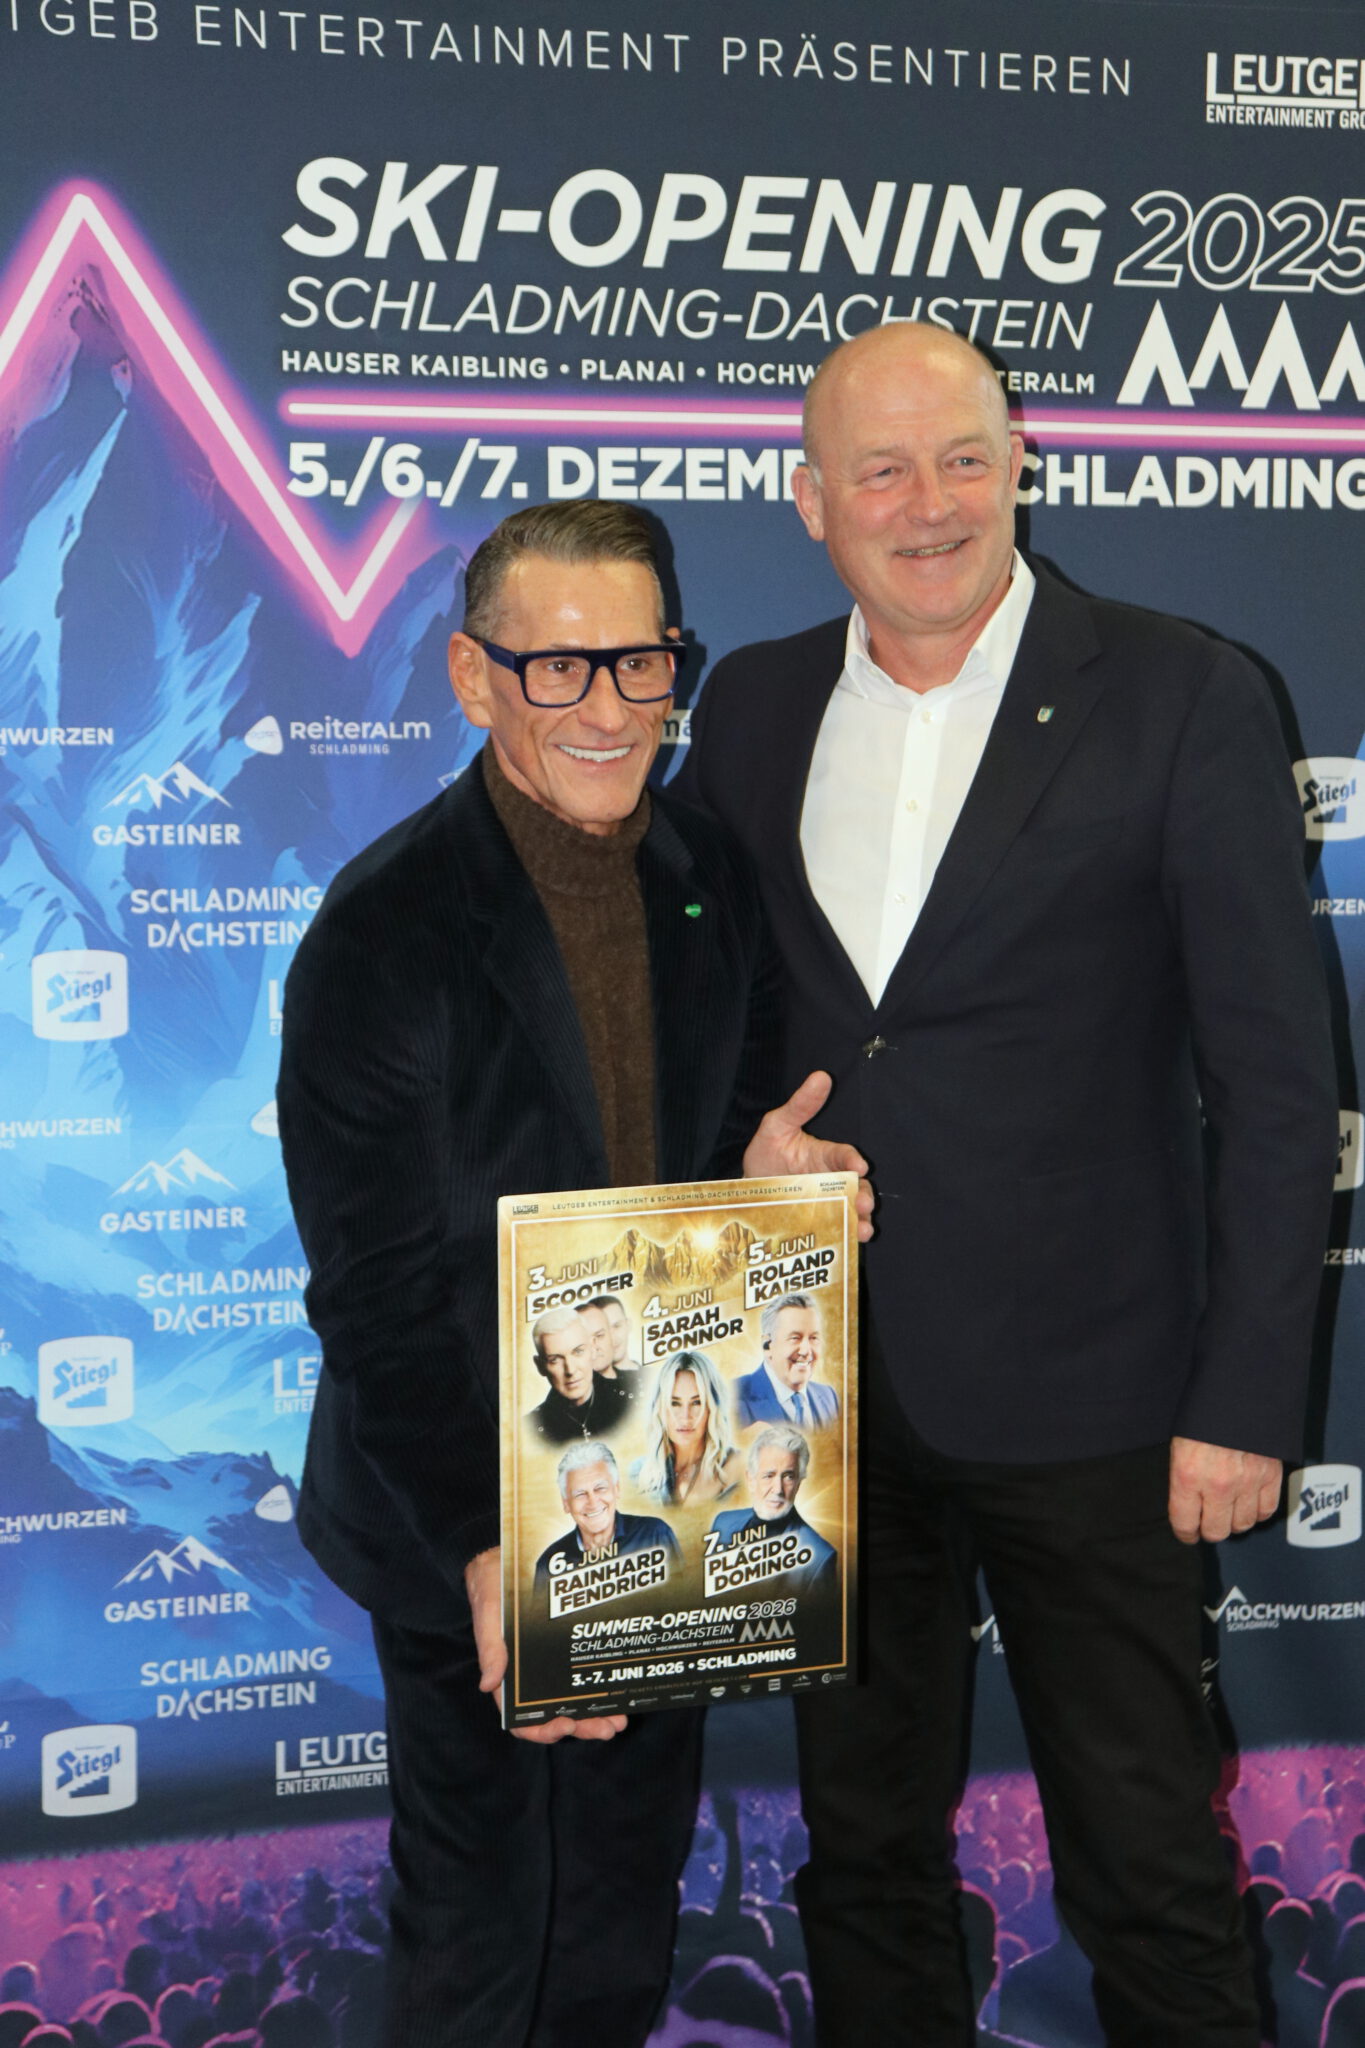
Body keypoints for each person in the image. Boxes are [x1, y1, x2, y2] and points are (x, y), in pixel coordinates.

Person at [677, 321, 1337, 2047]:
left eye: (965, 457)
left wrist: (1243, 1401)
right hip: (819, 1400)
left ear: (1022, 463)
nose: (931, 504)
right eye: (883, 470)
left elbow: (1280, 1089)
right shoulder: (749, 705)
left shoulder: (1183, 692)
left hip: (1102, 1405)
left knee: (1148, 1871)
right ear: (809, 498)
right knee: (862, 1859)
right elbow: (718, 1015)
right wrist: (747, 1142)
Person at [278, 496, 870, 2048]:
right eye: (559, 668)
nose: (610, 710)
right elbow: (375, 1297)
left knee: (617, 1911)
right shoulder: (384, 929)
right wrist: (493, 1550)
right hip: (460, 1503)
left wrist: (766, 1181)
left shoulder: (705, 870)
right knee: (481, 1934)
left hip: (658, 1484)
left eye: (642, 661)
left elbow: (718, 1143)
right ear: (474, 678)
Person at [533, 1441, 679, 1599]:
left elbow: (683, 1597)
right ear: (566, 1504)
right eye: (580, 1494)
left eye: (600, 1488)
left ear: (617, 1489)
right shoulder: (549, 1563)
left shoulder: (655, 1534)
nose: (593, 1502)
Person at [708, 1424, 837, 1595]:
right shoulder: (722, 1524)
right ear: (751, 1479)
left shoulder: (820, 1557)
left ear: (799, 1483)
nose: (778, 1489)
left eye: (788, 1477)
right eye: (769, 1476)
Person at [632, 1349, 738, 1507]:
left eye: (697, 1402)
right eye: (674, 1403)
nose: (685, 1416)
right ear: (659, 1408)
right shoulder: (638, 1473)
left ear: (712, 1407)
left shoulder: (736, 1465)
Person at [733, 1292, 839, 1431]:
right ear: (767, 1345)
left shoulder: (829, 1396)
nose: (806, 1351)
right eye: (795, 1338)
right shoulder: (733, 1395)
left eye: (813, 1338)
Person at [524, 1306, 630, 1443]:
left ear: (593, 1348)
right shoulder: (528, 1429)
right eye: (555, 1359)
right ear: (540, 1366)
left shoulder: (632, 1401)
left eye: (578, 1352)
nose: (570, 1370)